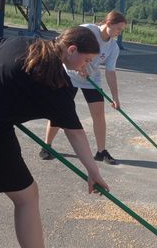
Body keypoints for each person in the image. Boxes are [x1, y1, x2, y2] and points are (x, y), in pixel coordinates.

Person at [0, 27, 109, 248]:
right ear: (72, 50)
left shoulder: (17, 41)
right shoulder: (55, 83)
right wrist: (93, 170)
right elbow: (75, 133)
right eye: (86, 60)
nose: (85, 66)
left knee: (25, 194)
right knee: (26, 196)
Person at [42, 11, 127, 164]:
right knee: (59, 110)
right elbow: (65, 43)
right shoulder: (87, 30)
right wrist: (77, 66)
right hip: (69, 74)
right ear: (108, 24)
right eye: (118, 29)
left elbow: (110, 72)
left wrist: (115, 97)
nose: (119, 33)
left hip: (91, 79)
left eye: (121, 30)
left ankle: (101, 152)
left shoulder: (113, 48)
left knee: (99, 114)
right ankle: (46, 145)